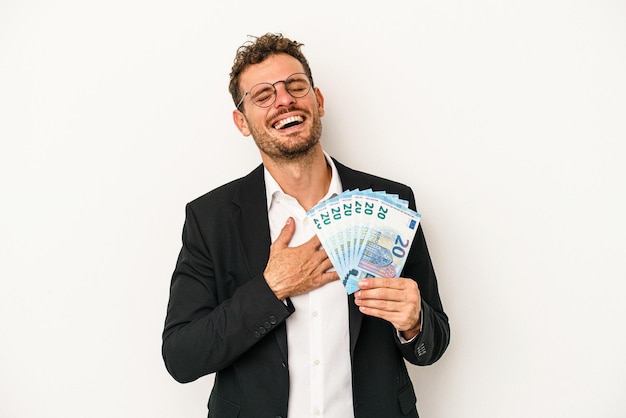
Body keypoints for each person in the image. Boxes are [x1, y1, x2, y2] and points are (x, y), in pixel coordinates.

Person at [162, 32, 450, 418]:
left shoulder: (390, 203)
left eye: (296, 86)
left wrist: (414, 324)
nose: (284, 100)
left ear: (318, 101)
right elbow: (182, 357)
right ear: (242, 122)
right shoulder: (210, 219)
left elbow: (434, 342)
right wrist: (272, 287)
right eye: (263, 95)